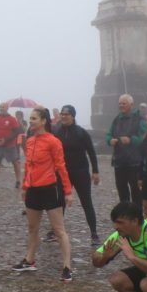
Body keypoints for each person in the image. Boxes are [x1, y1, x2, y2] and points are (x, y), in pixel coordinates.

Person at [12, 108, 74, 282]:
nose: (30, 121)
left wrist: (68, 192)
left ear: (43, 121)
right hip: (33, 189)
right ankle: (30, 260)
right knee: (32, 228)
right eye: (30, 118)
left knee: (59, 229)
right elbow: (29, 167)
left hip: (50, 189)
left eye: (34, 118)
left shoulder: (53, 142)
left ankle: (67, 266)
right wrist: (25, 187)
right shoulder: (30, 141)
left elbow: (61, 167)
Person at [53, 105, 102, 245]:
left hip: (80, 172)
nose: (63, 116)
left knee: (86, 202)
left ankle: (94, 233)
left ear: (73, 116)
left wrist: (95, 171)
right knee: (59, 202)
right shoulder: (57, 132)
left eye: (66, 114)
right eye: (62, 114)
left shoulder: (81, 132)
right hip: (62, 173)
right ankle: (56, 230)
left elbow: (91, 151)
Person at [106, 94, 147, 207]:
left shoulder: (140, 119)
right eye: (120, 103)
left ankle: (137, 215)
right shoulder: (117, 119)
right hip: (119, 160)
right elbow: (109, 134)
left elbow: (144, 137)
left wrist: (131, 140)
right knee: (121, 189)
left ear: (131, 105)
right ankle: (125, 214)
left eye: (124, 103)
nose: (121, 105)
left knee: (136, 190)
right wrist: (110, 140)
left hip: (135, 161)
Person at [0, 102, 22, 189]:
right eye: (0, 107)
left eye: (3, 107)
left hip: (10, 145)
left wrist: (6, 140)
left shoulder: (12, 119)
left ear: (7, 108)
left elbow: (16, 131)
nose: (1, 108)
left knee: (15, 162)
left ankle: (18, 180)